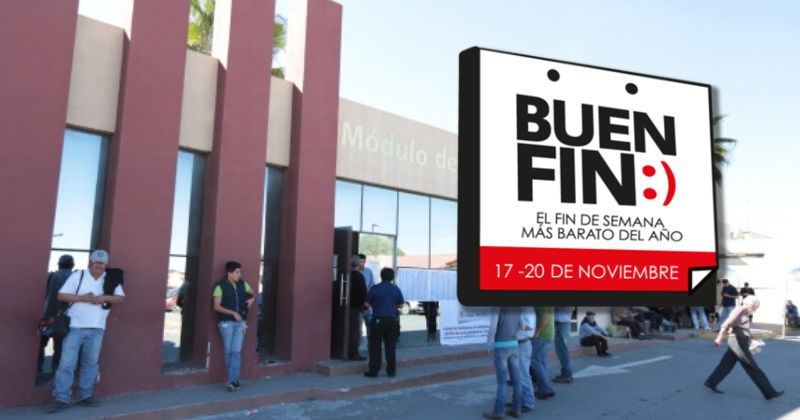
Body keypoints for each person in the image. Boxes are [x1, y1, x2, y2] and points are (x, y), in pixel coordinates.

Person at [47, 250, 125, 413]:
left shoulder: (110, 278)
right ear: (91, 262)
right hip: (75, 327)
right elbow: (61, 295)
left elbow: (120, 298)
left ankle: (85, 395)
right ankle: (61, 398)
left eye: (102, 263)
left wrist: (103, 298)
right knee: (66, 364)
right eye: (96, 262)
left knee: (90, 364)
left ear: (106, 264)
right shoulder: (79, 275)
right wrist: (81, 298)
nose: (99, 266)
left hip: (97, 328)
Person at [705, 296, 783, 400]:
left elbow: (742, 327)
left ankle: (711, 382)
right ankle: (769, 392)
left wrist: (750, 336)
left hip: (739, 340)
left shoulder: (746, 312)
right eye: (755, 307)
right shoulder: (739, 309)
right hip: (737, 341)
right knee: (751, 366)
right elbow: (726, 323)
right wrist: (719, 337)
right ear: (750, 304)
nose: (755, 309)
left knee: (726, 364)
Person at [212, 261, 255, 391]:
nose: (239, 274)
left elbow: (253, 293)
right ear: (229, 273)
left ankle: (232, 381)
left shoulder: (243, 284)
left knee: (235, 352)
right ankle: (233, 380)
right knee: (228, 351)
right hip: (226, 323)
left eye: (240, 272)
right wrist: (233, 313)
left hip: (241, 323)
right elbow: (216, 306)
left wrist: (250, 301)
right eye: (237, 272)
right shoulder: (220, 286)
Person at [483, 307, 527, 419]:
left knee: (502, 381)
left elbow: (493, 328)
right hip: (514, 345)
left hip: (501, 346)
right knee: (517, 380)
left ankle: (499, 412)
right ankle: (517, 409)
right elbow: (522, 326)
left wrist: (488, 344)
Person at [363, 268, 404, 378]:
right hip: (391, 320)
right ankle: (391, 371)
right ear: (392, 277)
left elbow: (366, 304)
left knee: (375, 346)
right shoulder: (396, 289)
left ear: (381, 276)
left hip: (377, 320)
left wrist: (375, 305)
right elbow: (401, 305)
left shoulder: (375, 288)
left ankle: (374, 371)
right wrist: (392, 306)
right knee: (390, 347)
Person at [38, 254, 75, 374]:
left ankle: (38, 370)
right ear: (72, 265)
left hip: (47, 316)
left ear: (59, 264)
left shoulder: (51, 276)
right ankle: (55, 373)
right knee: (59, 348)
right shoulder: (75, 278)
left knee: (41, 346)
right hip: (65, 319)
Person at [531, 306, 556, 400]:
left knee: (534, 360)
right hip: (547, 335)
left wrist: (537, 332)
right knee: (542, 361)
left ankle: (546, 389)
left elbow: (545, 318)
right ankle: (544, 386)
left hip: (542, 336)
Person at [348, 255, 368, 360]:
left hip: (346, 307)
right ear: (357, 264)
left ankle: (346, 351)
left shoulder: (346, 275)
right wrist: (363, 308)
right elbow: (363, 294)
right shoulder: (359, 276)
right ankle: (354, 353)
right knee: (355, 330)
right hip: (355, 307)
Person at [552, 306, 574, 383]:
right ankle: (565, 372)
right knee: (562, 350)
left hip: (562, 324)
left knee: (562, 350)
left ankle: (567, 374)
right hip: (563, 323)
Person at [358, 254, 375, 336]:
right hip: (357, 302)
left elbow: (372, 285)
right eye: (361, 261)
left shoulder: (369, 271)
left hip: (367, 301)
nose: (362, 263)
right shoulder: (353, 271)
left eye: (364, 262)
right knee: (358, 325)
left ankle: (370, 341)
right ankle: (358, 341)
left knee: (369, 323)